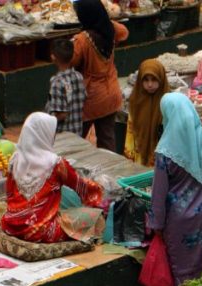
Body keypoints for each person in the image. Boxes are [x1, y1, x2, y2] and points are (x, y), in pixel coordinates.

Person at [148, 93, 202, 285]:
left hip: (180, 222)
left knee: (184, 272)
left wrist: (156, 225)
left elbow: (158, 194)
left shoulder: (165, 151)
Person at [1, 112, 105, 244]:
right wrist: (99, 191)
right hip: (41, 231)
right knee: (95, 218)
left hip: (10, 225)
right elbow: (81, 186)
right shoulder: (55, 163)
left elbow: (9, 194)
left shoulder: (15, 158)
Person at [71, 0, 127, 150]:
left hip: (91, 97)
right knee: (107, 140)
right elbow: (124, 32)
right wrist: (106, 22)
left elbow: (72, 60)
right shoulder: (111, 29)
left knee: (75, 140)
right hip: (112, 93)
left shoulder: (82, 39)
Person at [123, 59, 166, 166]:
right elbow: (130, 133)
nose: (150, 84)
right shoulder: (135, 102)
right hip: (139, 156)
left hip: (161, 159)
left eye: (154, 79)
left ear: (161, 79)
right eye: (146, 80)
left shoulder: (167, 102)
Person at [46, 39, 85, 137]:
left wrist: (46, 121)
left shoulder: (57, 82)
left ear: (53, 57)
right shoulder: (79, 76)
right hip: (77, 134)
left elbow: (62, 114)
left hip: (62, 136)